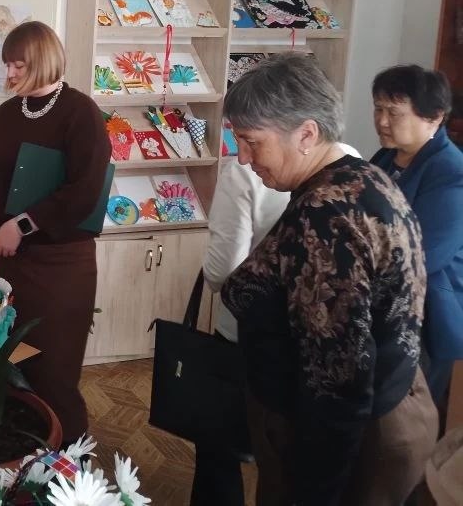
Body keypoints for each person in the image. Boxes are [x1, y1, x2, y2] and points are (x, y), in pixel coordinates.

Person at [220, 52, 437, 506]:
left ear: (306, 134)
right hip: (382, 411)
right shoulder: (362, 177)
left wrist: (315, 491)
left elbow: (339, 379)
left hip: (349, 444)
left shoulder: (326, 216)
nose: (243, 157)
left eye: (251, 141)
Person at [0, 21, 111, 444]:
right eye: (6, 64)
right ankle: (22, 459)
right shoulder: (8, 113)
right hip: (9, 263)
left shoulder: (81, 113)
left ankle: (68, 464)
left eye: (18, 65)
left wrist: (22, 224)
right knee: (9, 365)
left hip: (61, 269)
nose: (8, 74)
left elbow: (85, 191)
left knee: (53, 375)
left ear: (43, 61)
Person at [194, 141, 360, 506]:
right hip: (313, 347)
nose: (244, 153)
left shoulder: (242, 174)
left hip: (244, 335)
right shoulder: (350, 160)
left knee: (218, 445)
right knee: (285, 456)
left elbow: (222, 273)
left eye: (247, 137)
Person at [371, 64, 463, 430]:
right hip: (382, 304)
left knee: (405, 425)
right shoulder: (385, 158)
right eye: (378, 108)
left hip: (424, 313)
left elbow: (425, 255)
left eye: (394, 112)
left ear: (434, 117)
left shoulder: (451, 172)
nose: (382, 121)